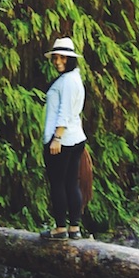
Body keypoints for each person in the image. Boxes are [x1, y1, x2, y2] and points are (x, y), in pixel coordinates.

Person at [41, 36, 87, 240]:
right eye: (56, 58)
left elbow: (65, 111)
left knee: (58, 184)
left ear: (71, 59)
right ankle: (74, 228)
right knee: (70, 183)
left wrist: (56, 138)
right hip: (75, 138)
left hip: (62, 141)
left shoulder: (68, 82)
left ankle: (61, 228)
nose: (58, 62)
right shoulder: (74, 79)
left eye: (63, 58)